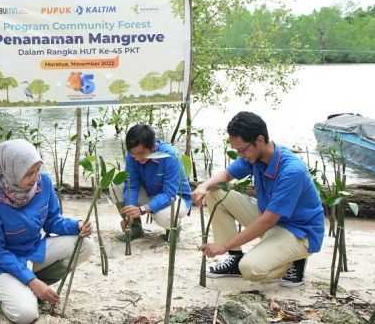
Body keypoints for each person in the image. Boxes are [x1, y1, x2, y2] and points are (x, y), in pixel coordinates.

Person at [192, 111, 324, 287]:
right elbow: (226, 175)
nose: (240, 155)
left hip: (298, 231)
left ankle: (295, 259)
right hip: (271, 221)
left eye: (242, 150)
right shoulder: (254, 157)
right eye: (237, 151)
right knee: (216, 193)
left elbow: (268, 221)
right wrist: (203, 186)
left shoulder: (292, 171)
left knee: (250, 269)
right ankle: (234, 259)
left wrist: (222, 245)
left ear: (259, 140)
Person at [0, 139, 94, 324]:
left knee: (85, 245)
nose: (37, 178)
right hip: (1, 263)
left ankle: (30, 285)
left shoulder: (43, 182)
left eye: (38, 170)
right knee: (27, 315)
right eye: (29, 173)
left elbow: (53, 221)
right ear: (11, 171)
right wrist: (31, 280)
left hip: (32, 251)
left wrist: (77, 224)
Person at [110, 124, 192, 242]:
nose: (137, 158)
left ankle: (174, 229)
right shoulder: (133, 155)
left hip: (176, 199)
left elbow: (169, 194)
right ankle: (135, 229)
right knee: (116, 185)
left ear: (153, 146)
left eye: (141, 153)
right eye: (133, 154)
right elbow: (131, 184)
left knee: (164, 217)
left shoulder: (169, 156)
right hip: (150, 192)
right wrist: (130, 213)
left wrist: (142, 209)